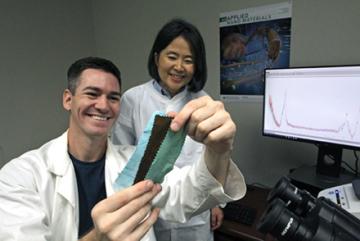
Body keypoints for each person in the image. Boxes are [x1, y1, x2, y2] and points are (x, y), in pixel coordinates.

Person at [0, 56, 246, 241]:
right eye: (92, 93)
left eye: (113, 97)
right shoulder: (20, 177)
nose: (103, 105)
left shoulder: (135, 162)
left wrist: (219, 150)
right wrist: (99, 238)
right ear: (68, 99)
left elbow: (190, 195)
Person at [111, 19, 224, 241]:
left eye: (188, 60)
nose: (179, 67)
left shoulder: (204, 102)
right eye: (172, 56)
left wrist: (216, 203)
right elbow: (120, 157)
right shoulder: (133, 99)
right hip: (148, 206)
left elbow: (214, 159)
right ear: (156, 57)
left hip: (194, 211)